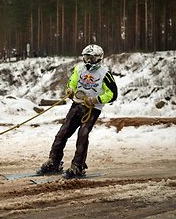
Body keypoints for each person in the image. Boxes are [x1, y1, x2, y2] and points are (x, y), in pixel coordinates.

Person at [37, 44, 118, 178]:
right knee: (62, 133)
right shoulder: (79, 68)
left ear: (98, 58)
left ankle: (78, 166)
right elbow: (73, 82)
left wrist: (97, 99)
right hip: (77, 104)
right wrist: (69, 89)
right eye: (86, 57)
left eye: (91, 58)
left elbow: (113, 94)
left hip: (93, 108)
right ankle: (54, 162)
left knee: (82, 135)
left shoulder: (105, 73)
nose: (88, 61)